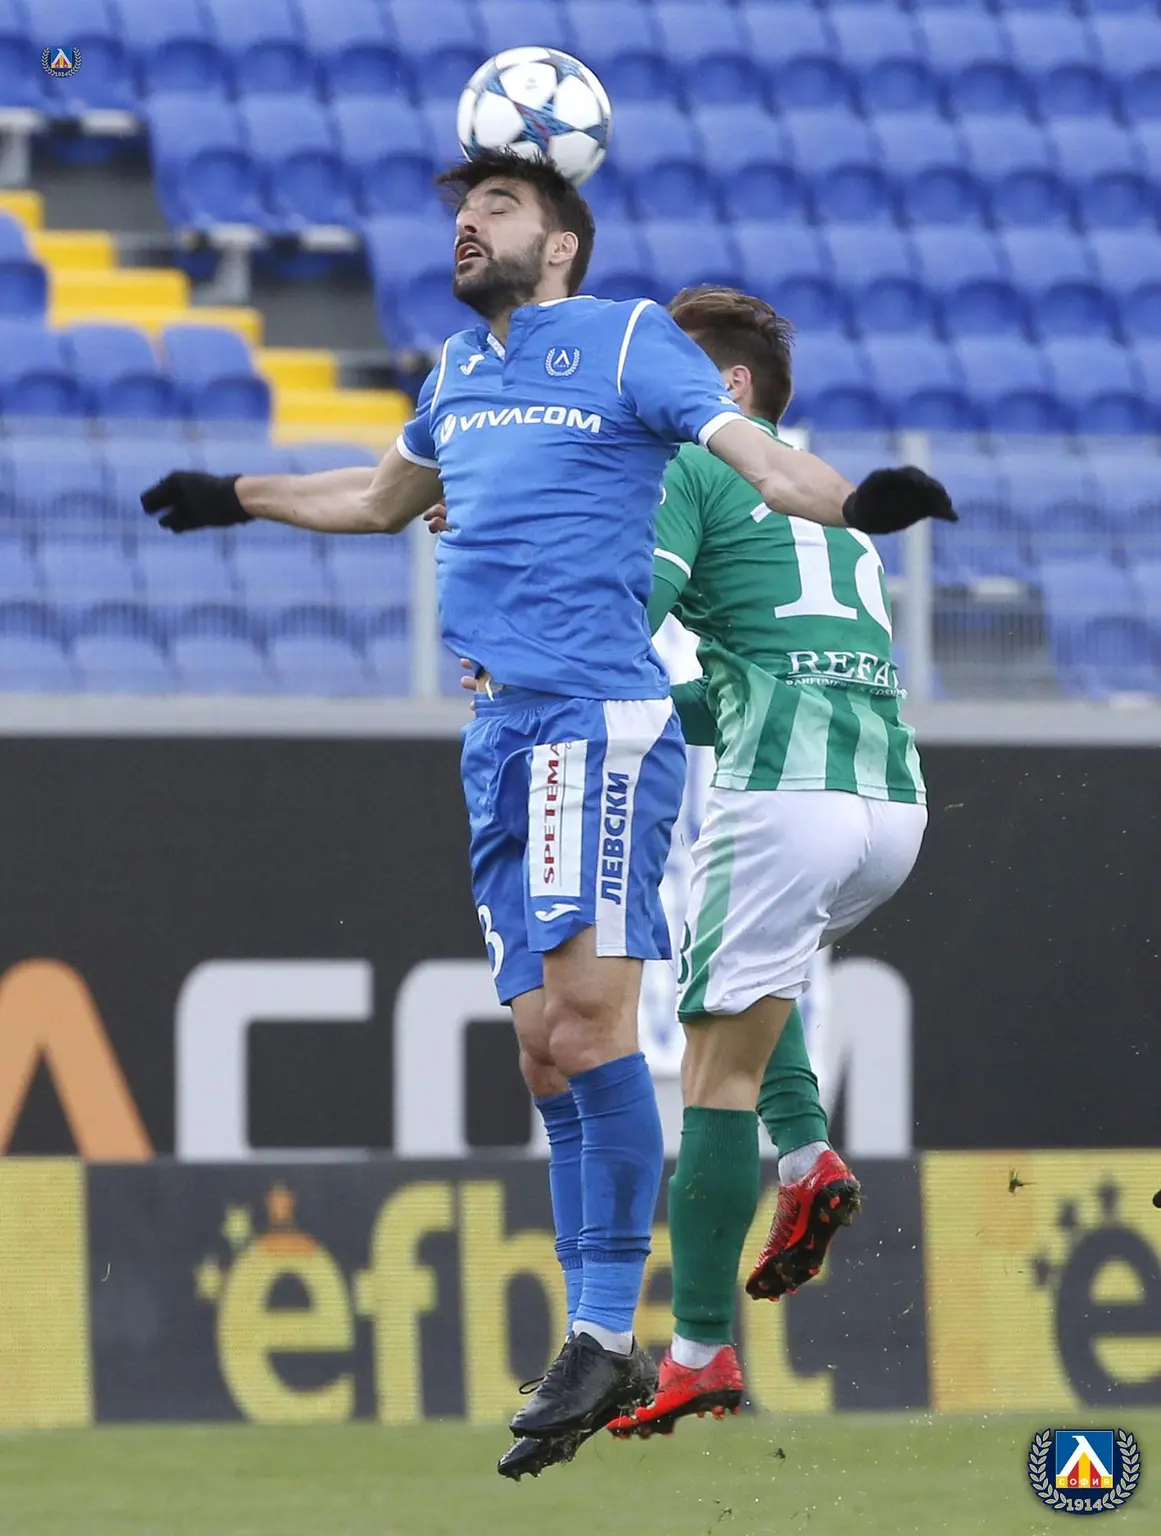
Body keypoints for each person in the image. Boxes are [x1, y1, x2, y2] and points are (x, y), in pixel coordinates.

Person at [139, 153, 955, 1477]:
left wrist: (859, 501)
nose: (468, 223)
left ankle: (605, 1328)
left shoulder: (631, 340)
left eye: (499, 205)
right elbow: (379, 499)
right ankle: (629, 1312)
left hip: (595, 719)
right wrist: (237, 497)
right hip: (499, 731)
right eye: (462, 208)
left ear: (562, 239)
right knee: (540, 1051)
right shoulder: (458, 373)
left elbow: (758, 456)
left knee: (591, 1025)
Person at [604, 286, 930, 1436]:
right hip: (893, 803)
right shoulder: (827, 491)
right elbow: (765, 666)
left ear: (729, 387)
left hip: (787, 797)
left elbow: (627, 613)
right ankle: (805, 1161)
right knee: (748, 968)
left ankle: (698, 1352)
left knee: (711, 1073)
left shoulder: (698, 463)